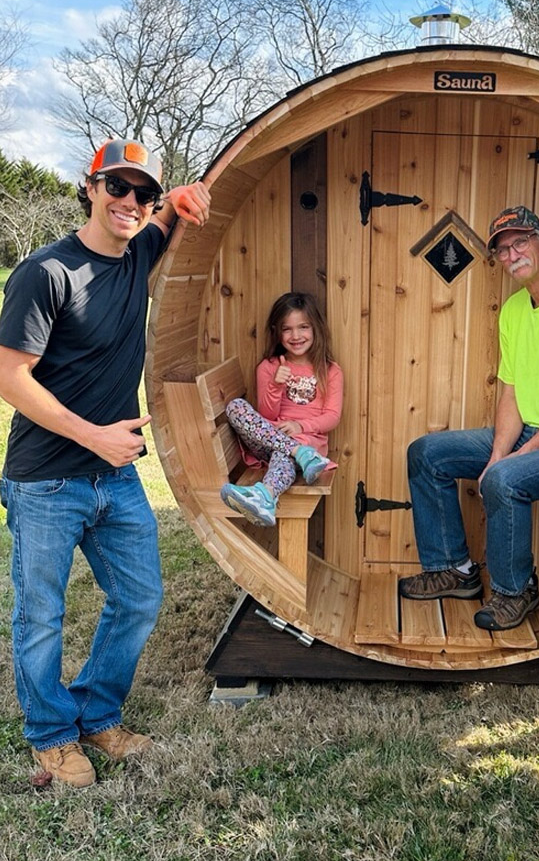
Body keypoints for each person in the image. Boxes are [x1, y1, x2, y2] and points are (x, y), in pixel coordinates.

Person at [0, 138, 211, 787]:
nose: (130, 202)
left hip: (114, 481)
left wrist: (177, 199)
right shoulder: (46, 272)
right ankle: (51, 737)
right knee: (41, 617)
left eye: (142, 193)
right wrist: (93, 436)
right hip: (46, 481)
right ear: (88, 188)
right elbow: (11, 376)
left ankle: (96, 712)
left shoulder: (140, 249)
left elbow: (173, 210)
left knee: (140, 599)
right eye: (117, 187)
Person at [399, 206, 539, 630]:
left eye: (520, 243)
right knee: (426, 453)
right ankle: (455, 569)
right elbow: (510, 391)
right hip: (525, 430)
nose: (512, 255)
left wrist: (522, 452)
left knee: (503, 480)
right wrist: (498, 451)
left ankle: (516, 591)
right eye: (503, 250)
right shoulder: (512, 310)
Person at [219, 292, 342, 526]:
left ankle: (264, 497)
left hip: (309, 442)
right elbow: (267, 416)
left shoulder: (330, 371)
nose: (296, 336)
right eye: (287, 329)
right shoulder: (269, 367)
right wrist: (276, 384)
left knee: (282, 455)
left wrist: (300, 426)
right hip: (270, 440)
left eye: (303, 327)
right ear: (277, 331)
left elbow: (332, 416)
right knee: (236, 407)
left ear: (315, 328)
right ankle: (298, 453)